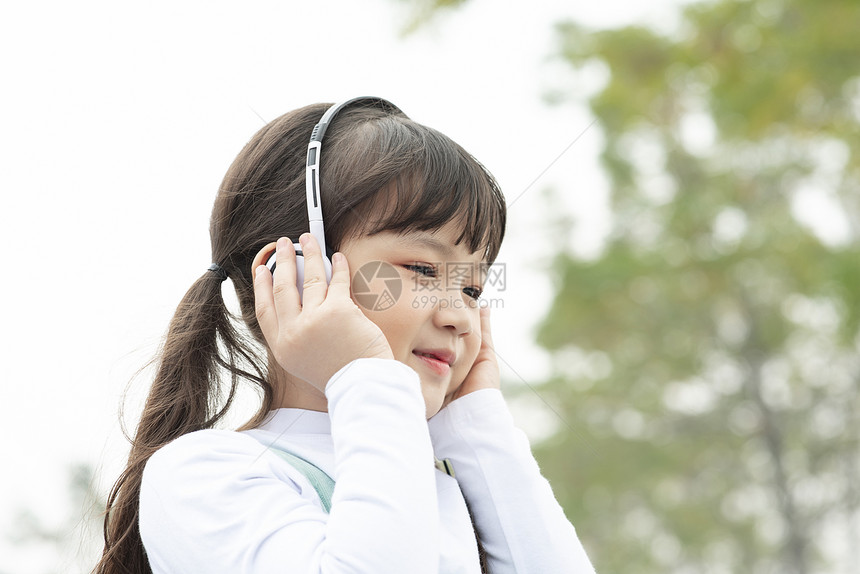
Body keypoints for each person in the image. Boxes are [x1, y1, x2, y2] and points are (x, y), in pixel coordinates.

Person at [96, 97, 596, 574]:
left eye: (470, 288)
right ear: (292, 273)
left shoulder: (451, 488)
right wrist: (367, 375)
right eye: (422, 268)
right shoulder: (207, 475)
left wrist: (475, 427)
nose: (461, 317)